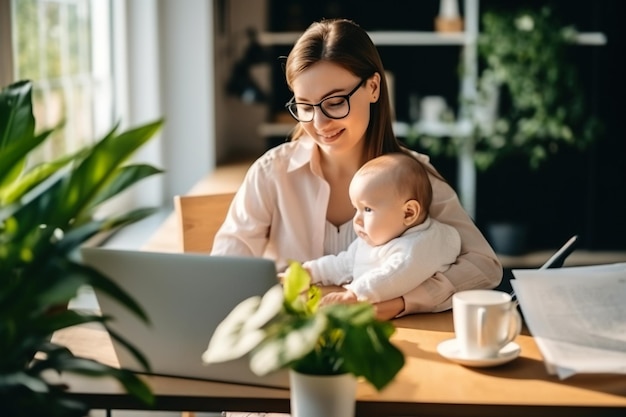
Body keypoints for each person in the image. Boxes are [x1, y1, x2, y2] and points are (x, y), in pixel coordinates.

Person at [212, 18, 502, 320]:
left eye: (335, 102)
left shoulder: (412, 177)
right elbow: (223, 271)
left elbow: (484, 266)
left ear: (374, 87)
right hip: (293, 339)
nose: (320, 124)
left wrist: (397, 303)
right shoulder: (271, 173)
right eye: (306, 107)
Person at [302, 152, 461, 305]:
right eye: (356, 208)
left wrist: (355, 294)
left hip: (421, 323)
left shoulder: (420, 245)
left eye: (368, 209)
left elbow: (393, 275)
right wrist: (311, 272)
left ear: (408, 213)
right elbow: (345, 263)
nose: (356, 219)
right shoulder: (375, 240)